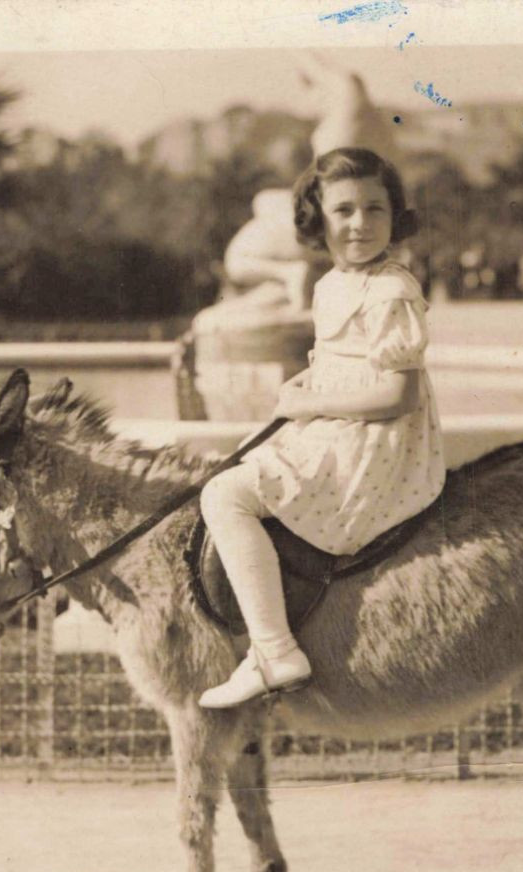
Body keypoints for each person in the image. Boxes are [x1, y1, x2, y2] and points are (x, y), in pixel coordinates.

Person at [198, 148, 445, 708]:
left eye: (375, 209)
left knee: (225, 496)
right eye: (344, 211)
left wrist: (310, 407)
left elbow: (396, 394)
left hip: (378, 443)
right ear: (318, 217)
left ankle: (274, 649)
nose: (359, 224)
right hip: (341, 423)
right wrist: (303, 389)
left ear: (395, 215)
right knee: (235, 461)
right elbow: (339, 363)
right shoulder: (334, 283)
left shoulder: (391, 290)